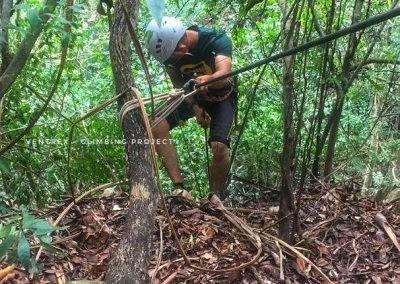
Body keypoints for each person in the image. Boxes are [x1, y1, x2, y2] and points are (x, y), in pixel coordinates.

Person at [145, 16, 236, 199]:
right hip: (191, 95)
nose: (171, 61)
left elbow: (225, 74)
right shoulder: (170, 57)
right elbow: (179, 84)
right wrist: (195, 108)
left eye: (173, 56)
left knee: (219, 145)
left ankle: (215, 196)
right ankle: (179, 188)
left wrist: (209, 80)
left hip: (221, 95)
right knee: (156, 124)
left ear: (181, 47)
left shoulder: (216, 39)